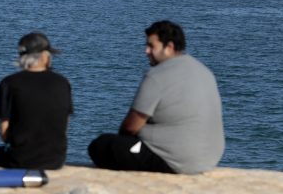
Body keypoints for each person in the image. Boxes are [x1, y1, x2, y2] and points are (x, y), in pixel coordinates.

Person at [88, 20, 224, 174]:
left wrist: (124, 141)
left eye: (151, 46)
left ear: (169, 47)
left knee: (101, 145)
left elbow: (131, 127)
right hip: (208, 160)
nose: (146, 51)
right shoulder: (205, 72)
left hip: (172, 160)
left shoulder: (157, 76)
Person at [0, 32, 73, 169]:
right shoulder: (62, 83)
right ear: (45, 56)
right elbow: (64, 127)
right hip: (55, 160)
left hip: (18, 160)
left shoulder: (8, 83)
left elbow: (4, 133)